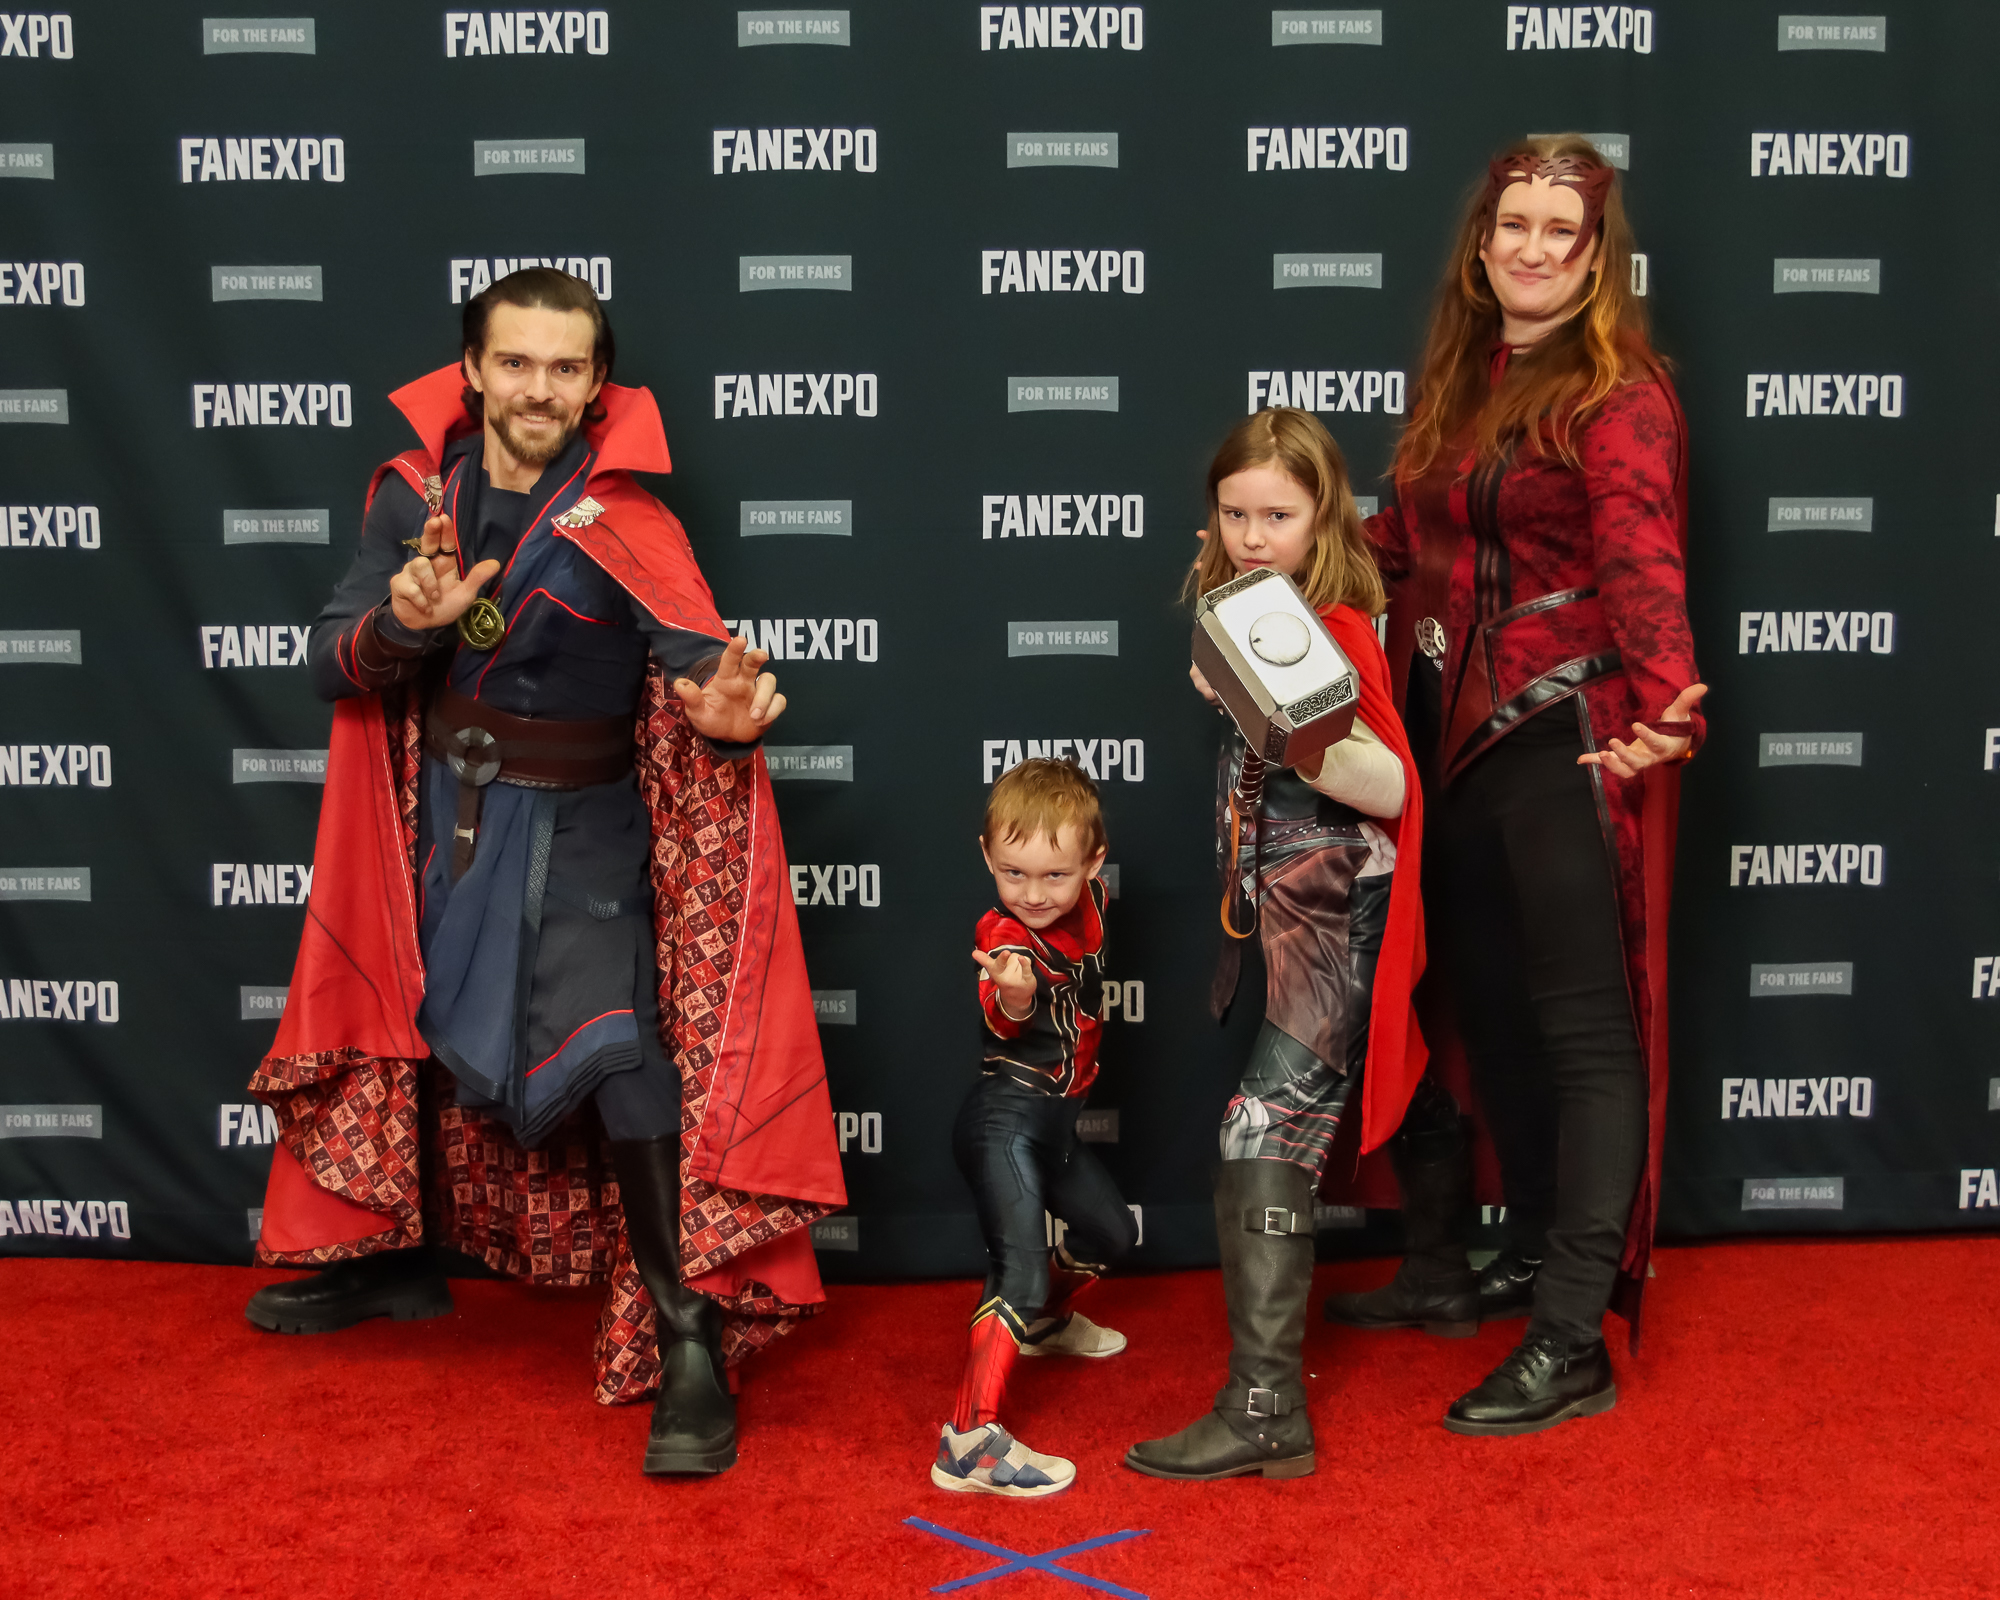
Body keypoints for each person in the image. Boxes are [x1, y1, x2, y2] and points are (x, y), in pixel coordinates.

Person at [240, 268, 846, 1475]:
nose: (538, 388)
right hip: (439, 818)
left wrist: (724, 716)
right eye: (514, 362)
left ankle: (687, 1336)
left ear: (596, 383)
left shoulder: (631, 521)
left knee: (621, 1054)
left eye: (565, 367)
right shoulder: (415, 499)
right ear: (471, 368)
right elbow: (331, 660)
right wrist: (406, 622)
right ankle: (394, 1255)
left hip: (586, 831)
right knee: (410, 1030)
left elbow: (699, 666)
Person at [1336, 135, 1706, 1435]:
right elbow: (1397, 541)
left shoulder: (1621, 392)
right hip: (1454, 744)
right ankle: (1535, 1247)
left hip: (1568, 734)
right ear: (1483, 245)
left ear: (1597, 258)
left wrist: (1668, 698)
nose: (1534, 249)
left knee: (1585, 1036)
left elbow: (1640, 550)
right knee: (1494, 1017)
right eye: (1515, 227)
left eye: (1562, 230)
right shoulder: (1465, 378)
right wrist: (1272, 558)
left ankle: (1573, 1336)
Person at [1124, 407, 1431, 1481]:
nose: (1254, 534)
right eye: (1234, 511)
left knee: (1263, 1134)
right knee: (1275, 1135)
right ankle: (1428, 1280)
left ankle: (1263, 1409)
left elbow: (1391, 786)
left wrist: (1283, 720)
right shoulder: (1256, 612)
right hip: (1296, 923)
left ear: (1322, 517)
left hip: (1338, 914)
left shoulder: (1331, 627)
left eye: (1279, 514)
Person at [934, 758, 1136, 1498]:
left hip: (1055, 1127)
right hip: (1003, 1125)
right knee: (1015, 1269)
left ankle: (1044, 1325)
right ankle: (969, 1443)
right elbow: (1007, 1001)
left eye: (1055, 876)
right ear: (988, 857)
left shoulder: (1096, 906)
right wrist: (1012, 994)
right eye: (1014, 873)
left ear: (1094, 862)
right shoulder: (1006, 937)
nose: (1033, 894)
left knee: (1113, 1236)